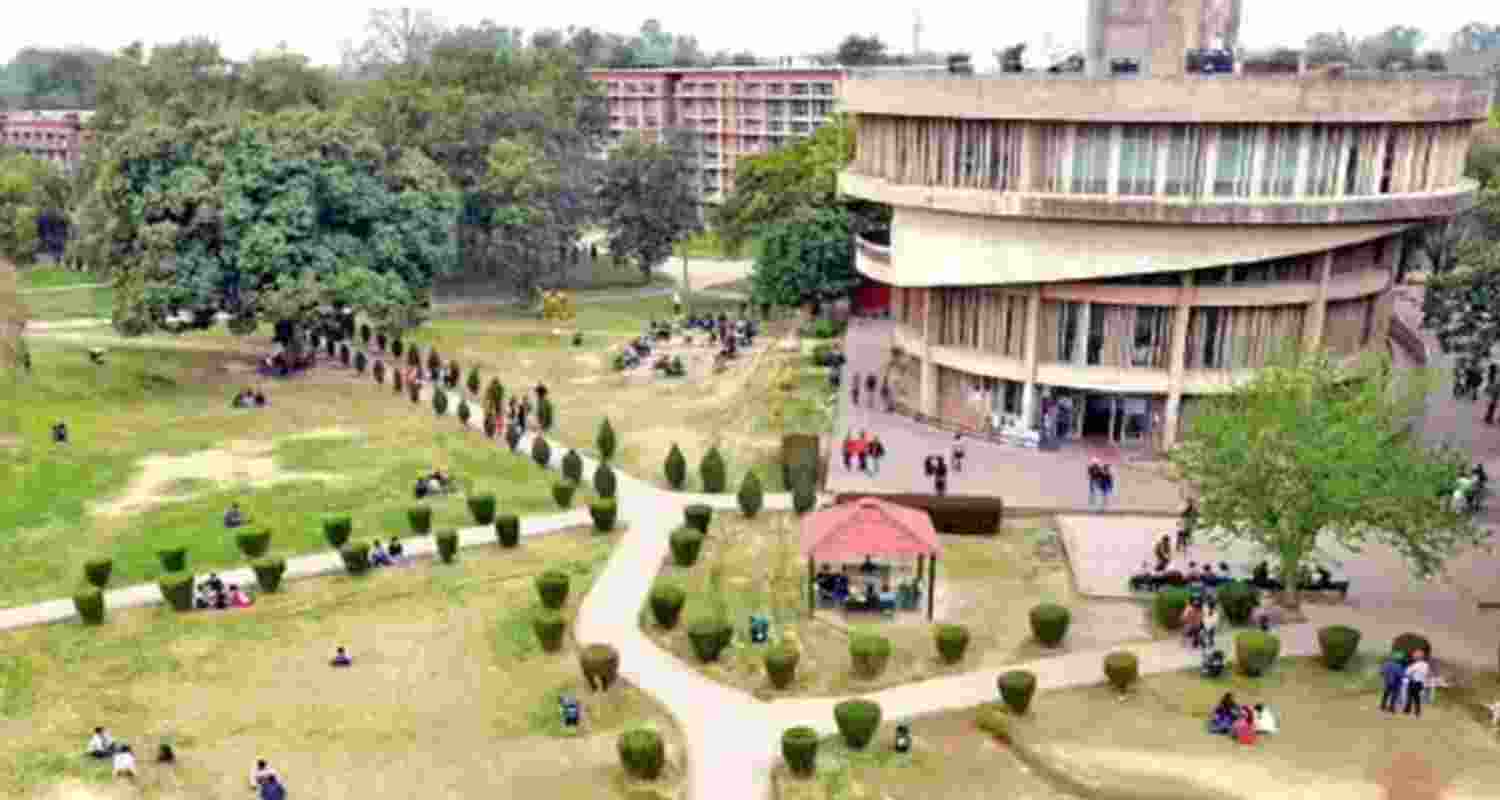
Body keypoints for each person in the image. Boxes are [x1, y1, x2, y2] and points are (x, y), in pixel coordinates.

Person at [1404, 650, 1429, 718]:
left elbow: (1407, 672)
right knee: (1417, 698)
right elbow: (1426, 674)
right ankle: (1417, 712)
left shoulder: (1415, 665)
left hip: (1413, 682)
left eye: (1415, 656)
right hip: (1420, 683)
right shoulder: (1426, 665)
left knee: (1409, 697)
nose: (1414, 657)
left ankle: (1407, 710)